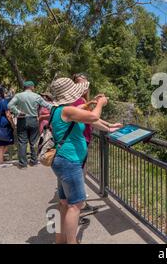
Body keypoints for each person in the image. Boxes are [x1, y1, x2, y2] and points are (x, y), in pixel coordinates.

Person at [50, 77, 108, 244]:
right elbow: (93, 117)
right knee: (75, 206)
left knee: (64, 203)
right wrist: (100, 104)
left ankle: (60, 240)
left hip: (61, 160)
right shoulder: (67, 110)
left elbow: (81, 109)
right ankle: (71, 242)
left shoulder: (57, 109)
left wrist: (90, 102)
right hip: (70, 162)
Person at [71, 73, 122, 214]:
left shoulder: (80, 101)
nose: (84, 87)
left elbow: (92, 118)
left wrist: (110, 126)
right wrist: (109, 127)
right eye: (80, 84)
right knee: (79, 174)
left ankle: (80, 204)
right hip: (77, 143)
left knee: (82, 172)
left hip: (81, 143)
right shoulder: (77, 101)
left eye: (86, 84)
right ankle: (78, 208)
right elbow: (92, 118)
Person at [8, 81, 53, 168]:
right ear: (32, 87)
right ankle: (34, 161)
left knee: (22, 142)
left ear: (24, 87)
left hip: (22, 120)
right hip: (33, 120)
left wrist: (17, 112)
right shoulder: (36, 96)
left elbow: (10, 105)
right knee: (34, 141)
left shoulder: (18, 95)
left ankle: (23, 163)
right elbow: (47, 106)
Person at [0, 85, 15, 169]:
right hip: (3, 123)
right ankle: (1, 163)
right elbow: (8, 115)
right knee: (2, 144)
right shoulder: (3, 101)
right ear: (2, 92)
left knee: (1, 143)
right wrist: (13, 125)